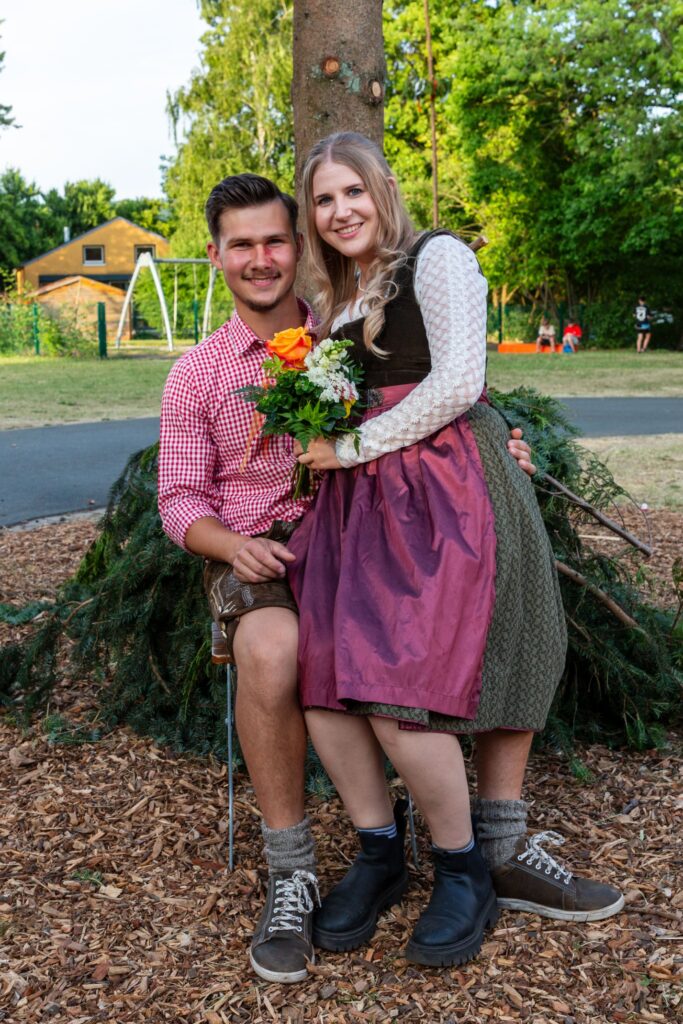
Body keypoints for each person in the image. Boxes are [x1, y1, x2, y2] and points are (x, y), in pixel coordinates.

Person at [158, 172, 620, 984]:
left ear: (296, 247)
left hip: (368, 529)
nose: (260, 258)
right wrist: (230, 547)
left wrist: (490, 443)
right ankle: (295, 871)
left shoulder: (348, 316)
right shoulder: (198, 372)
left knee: (440, 636)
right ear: (215, 255)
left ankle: (465, 851)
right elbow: (178, 498)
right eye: (241, 245)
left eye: (274, 241)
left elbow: (439, 385)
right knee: (276, 650)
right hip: (264, 551)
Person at [285, 132, 624, 968]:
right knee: (325, 676)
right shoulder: (337, 296)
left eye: (352, 191)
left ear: (382, 189)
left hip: (445, 493)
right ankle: (383, 854)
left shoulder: (436, 258)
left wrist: (351, 447)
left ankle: (465, 867)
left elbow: (459, 383)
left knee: (403, 682)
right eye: (324, 200)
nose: (340, 211)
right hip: (363, 507)